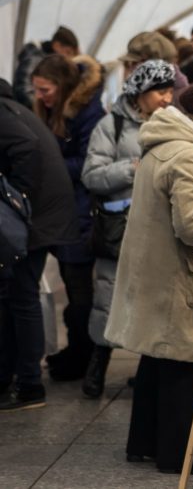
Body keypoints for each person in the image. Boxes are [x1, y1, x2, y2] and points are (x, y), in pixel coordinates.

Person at [105, 75, 193, 475]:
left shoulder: (160, 146)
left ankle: (144, 443)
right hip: (178, 278)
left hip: (154, 274)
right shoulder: (189, 156)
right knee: (185, 364)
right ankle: (180, 454)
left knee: (156, 360)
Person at [79, 60, 176, 399]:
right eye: (160, 91)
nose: (167, 98)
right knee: (107, 296)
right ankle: (97, 366)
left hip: (157, 228)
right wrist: (134, 168)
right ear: (141, 92)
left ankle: (147, 373)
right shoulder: (112, 125)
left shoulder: (172, 124)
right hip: (118, 227)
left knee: (153, 299)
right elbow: (91, 175)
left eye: (169, 91)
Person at [0, 79, 79, 411]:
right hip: (46, 213)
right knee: (17, 294)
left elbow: (28, 148)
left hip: (40, 217)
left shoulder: (4, 113)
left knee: (21, 295)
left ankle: (30, 384)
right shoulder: (13, 107)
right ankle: (18, 377)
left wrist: (18, 197)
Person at [30, 54, 106, 381]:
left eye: (45, 90)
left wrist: (49, 165)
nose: (40, 97)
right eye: (36, 90)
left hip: (81, 214)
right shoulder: (49, 111)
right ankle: (76, 353)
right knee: (73, 288)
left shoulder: (89, 113)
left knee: (80, 293)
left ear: (61, 86)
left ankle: (82, 356)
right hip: (61, 212)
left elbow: (89, 164)